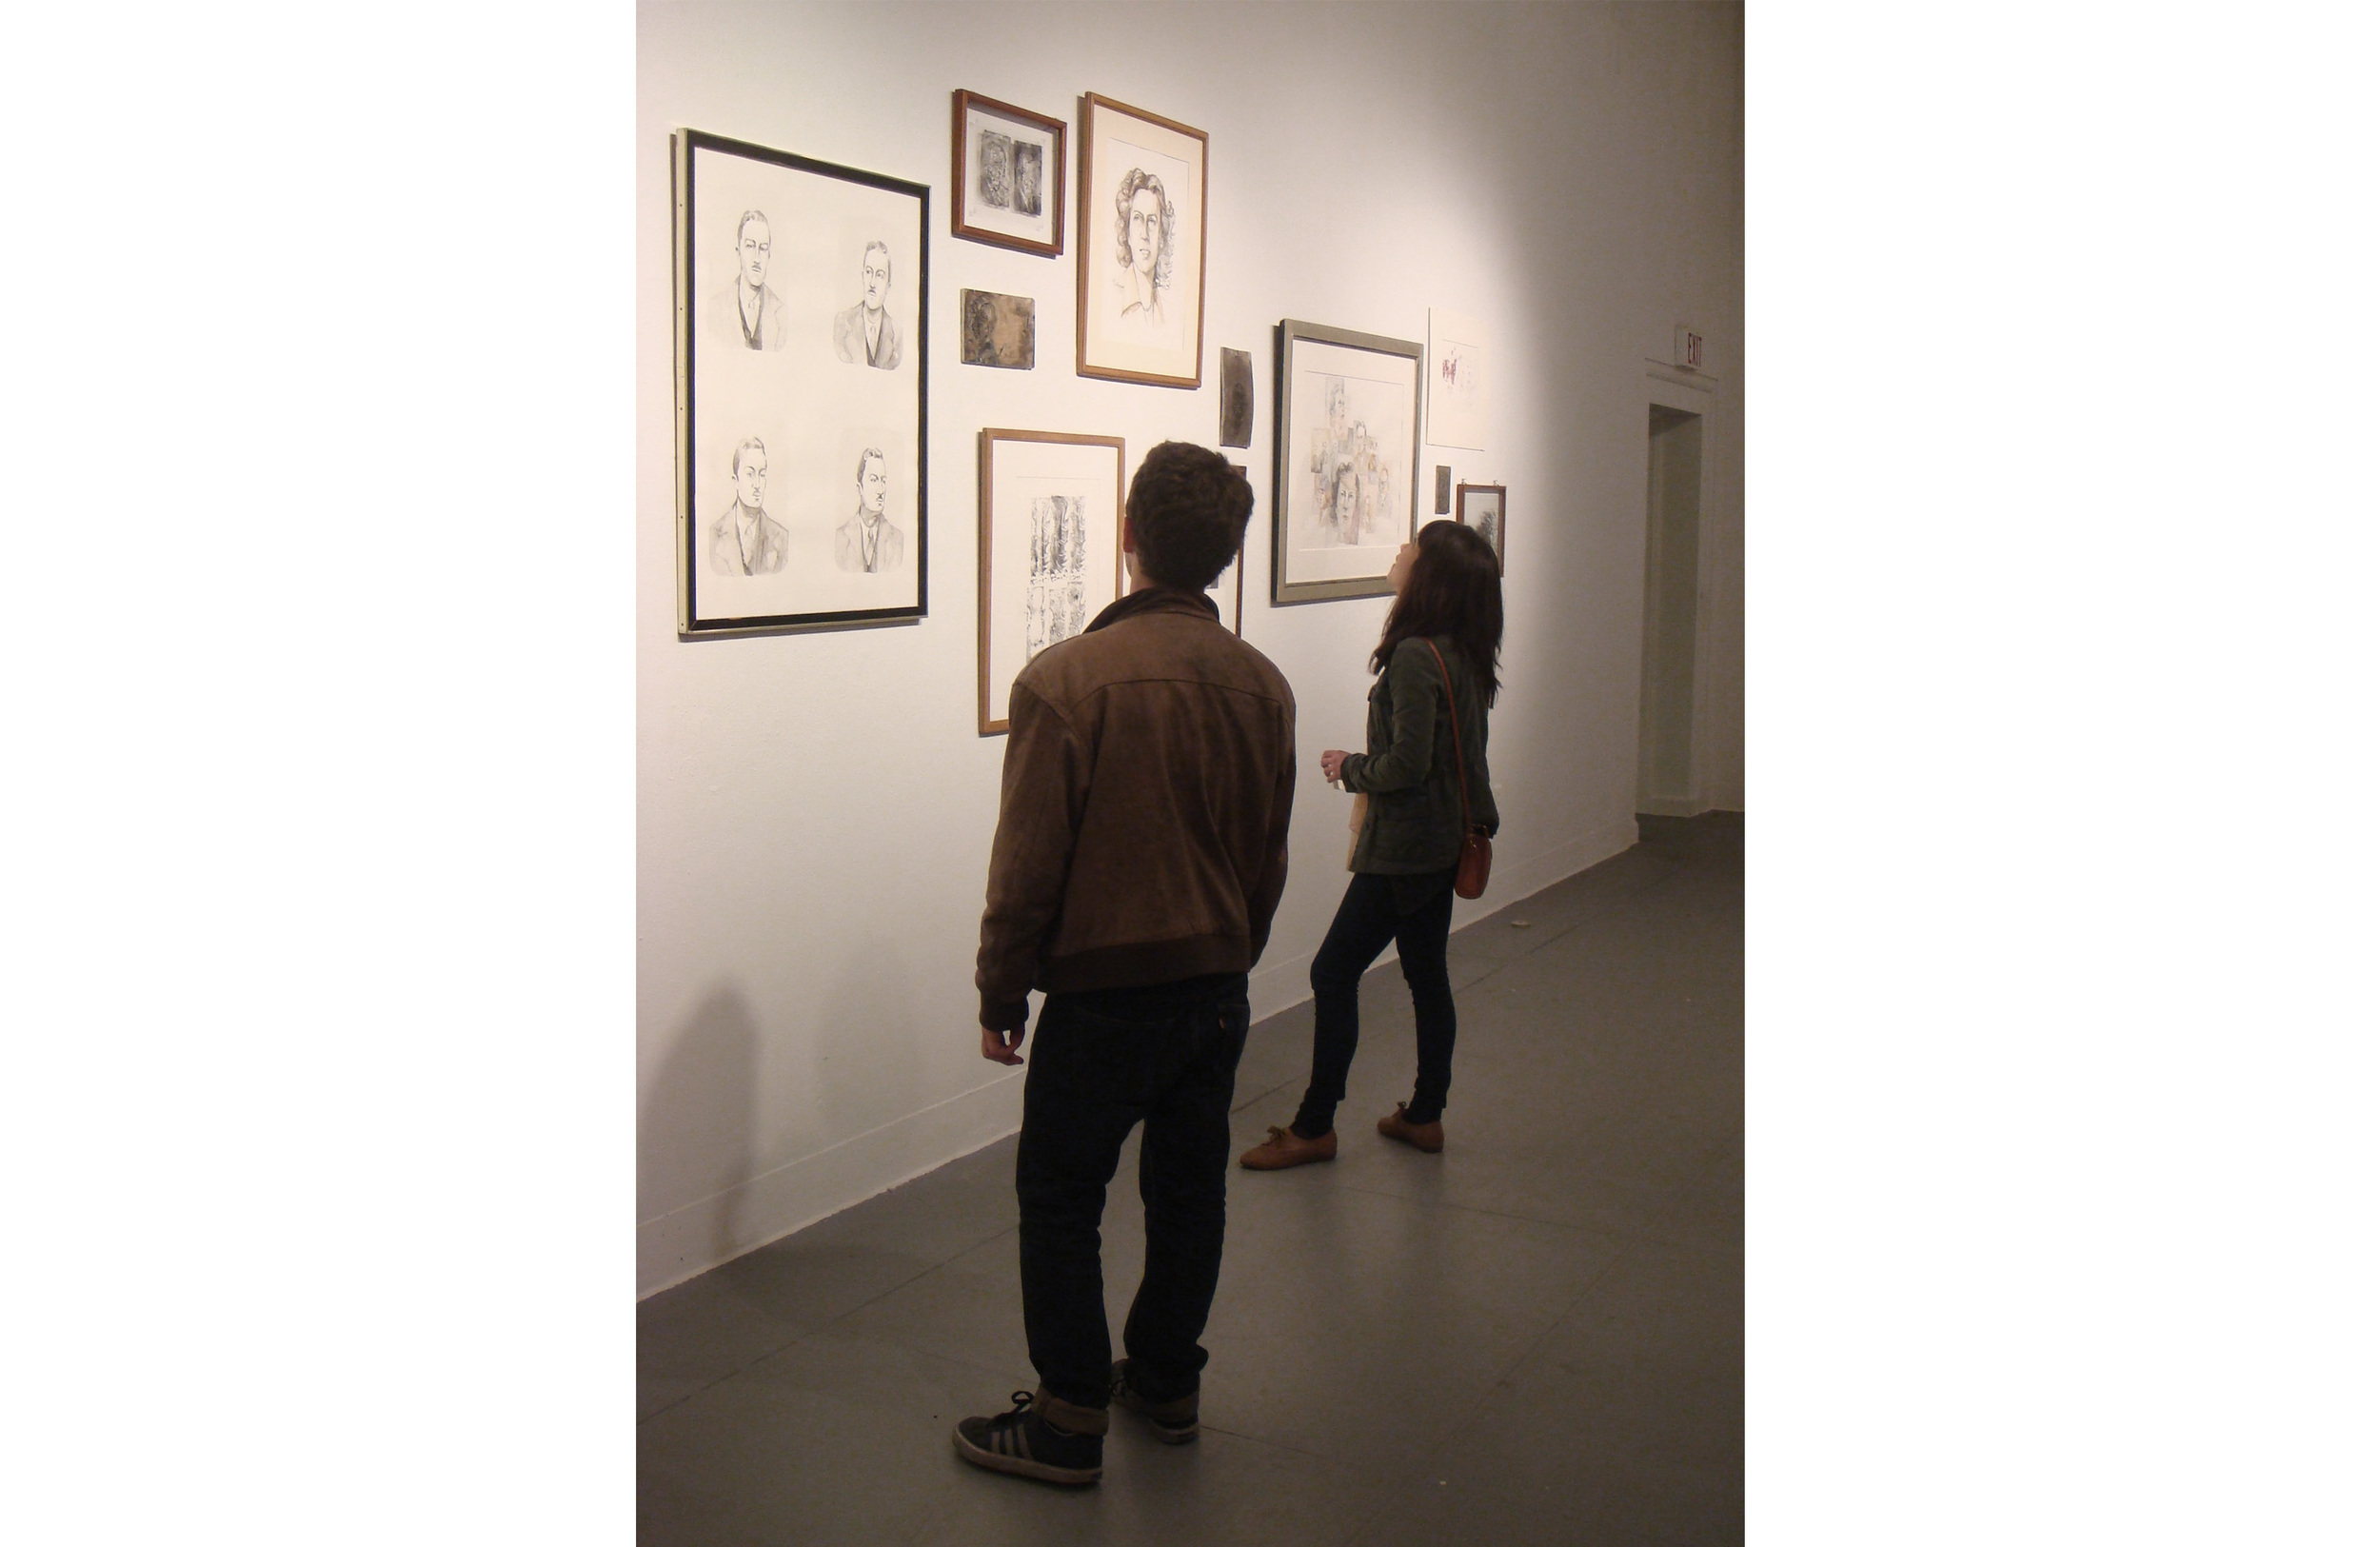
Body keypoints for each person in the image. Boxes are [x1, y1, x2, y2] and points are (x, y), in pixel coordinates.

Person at [954, 442, 1298, 1488]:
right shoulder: (1261, 685)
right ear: (1228, 555)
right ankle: (1165, 1379)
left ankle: (1067, 1417)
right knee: (1190, 1189)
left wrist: (1001, 989)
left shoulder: (1065, 682)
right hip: (1213, 986)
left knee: (1062, 1195)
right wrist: (1231, 952)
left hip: (1103, 998)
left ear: (1128, 531)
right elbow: (1266, 853)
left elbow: (1026, 864)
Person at [1240, 518, 1502, 1171]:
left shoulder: (1417, 654)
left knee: (1332, 971)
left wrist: (1349, 765)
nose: (1400, 552)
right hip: (1442, 844)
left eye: (1411, 547)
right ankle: (1424, 1113)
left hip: (1405, 849)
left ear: (1430, 575)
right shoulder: (1463, 651)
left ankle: (1314, 1124)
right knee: (1425, 975)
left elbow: (1408, 763)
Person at [705, 437, 788, 575]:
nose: (757, 484)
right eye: (750, 474)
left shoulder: (781, 537)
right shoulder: (715, 534)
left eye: (762, 474)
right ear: (735, 481)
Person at [710, 210, 787, 351]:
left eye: (763, 249)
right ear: (738, 252)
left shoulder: (781, 314)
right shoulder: (716, 309)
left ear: (769, 255)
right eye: (750, 246)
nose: (757, 258)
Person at [1113, 169, 1172, 331]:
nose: (1145, 234)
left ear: (1161, 237)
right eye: (1138, 219)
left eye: (1152, 222)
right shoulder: (1114, 298)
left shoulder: (1167, 310)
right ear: (1128, 233)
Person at [831, 240, 902, 368]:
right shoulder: (842, 323)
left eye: (880, 275)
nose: (872, 283)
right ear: (862, 276)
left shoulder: (897, 333)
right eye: (869, 272)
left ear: (888, 286)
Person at [832, 447, 902, 573]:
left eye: (883, 481)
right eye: (874, 480)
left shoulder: (897, 539)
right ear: (860, 488)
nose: (881, 490)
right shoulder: (840, 538)